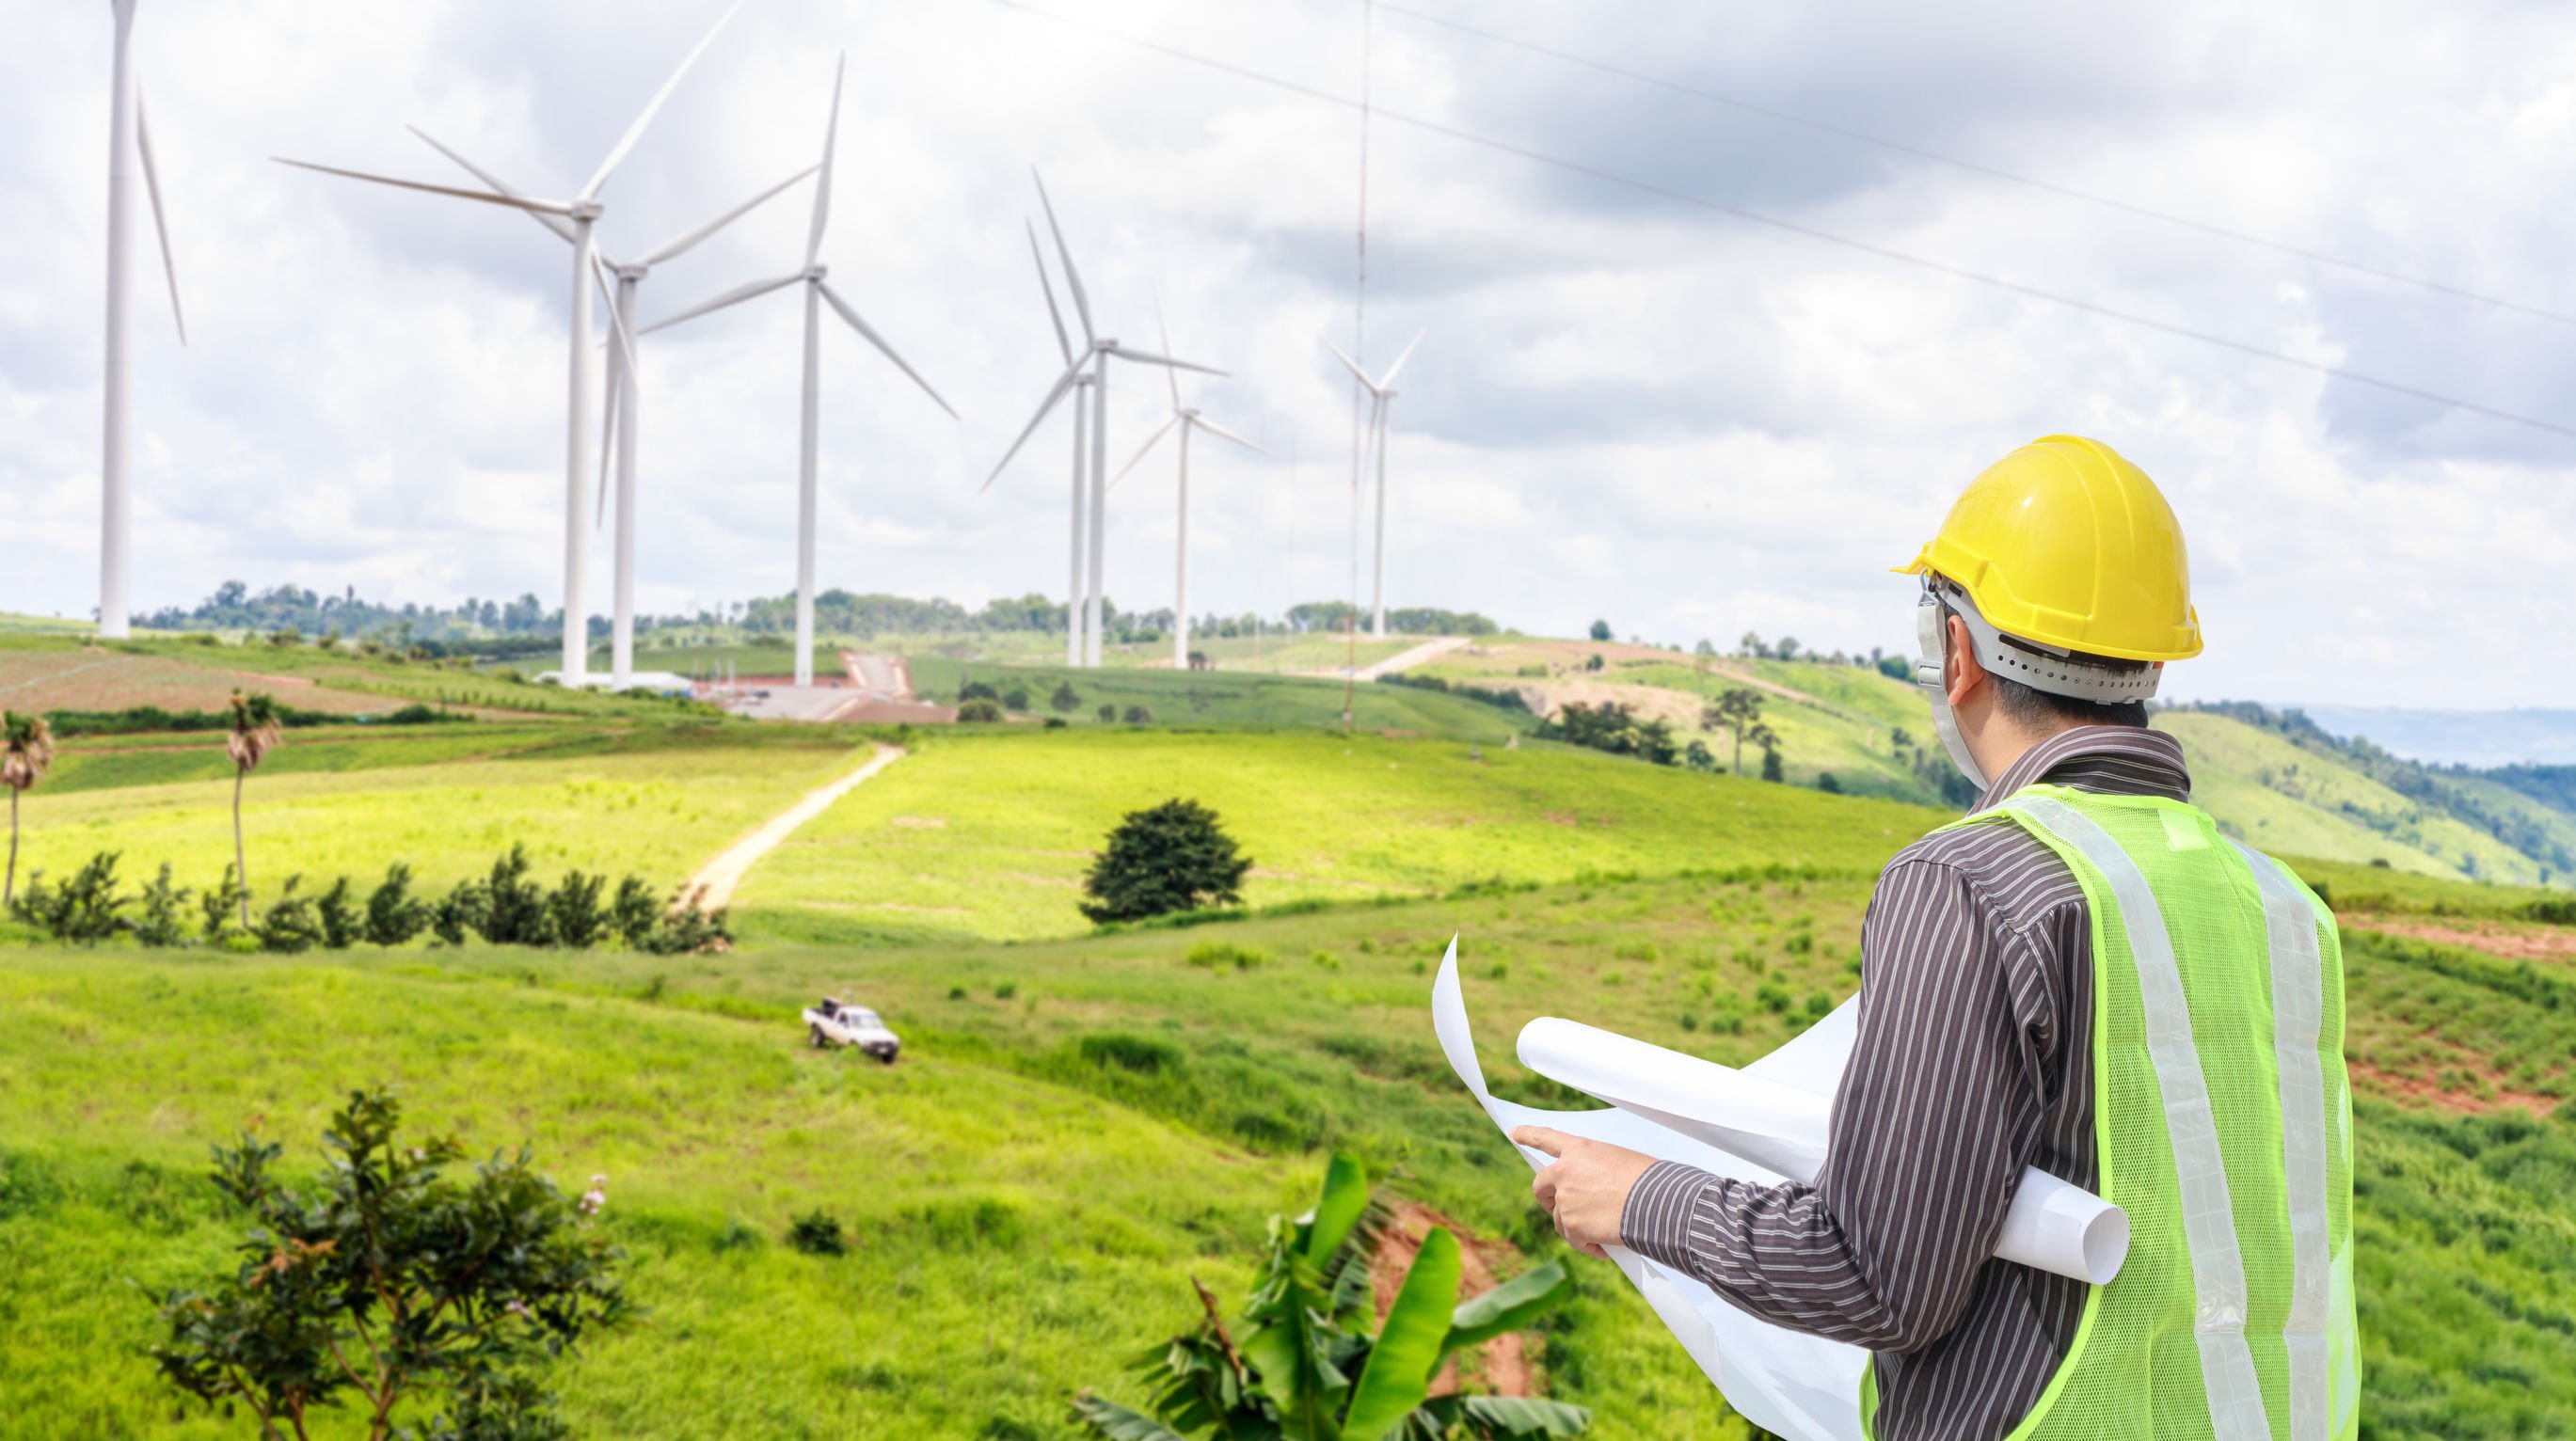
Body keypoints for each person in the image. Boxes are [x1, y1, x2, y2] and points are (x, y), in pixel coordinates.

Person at [1514, 435, 2359, 1440]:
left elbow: (1876, 1274)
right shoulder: (2283, 907)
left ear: (1952, 651)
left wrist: (1639, 1194)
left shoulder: (1971, 879)